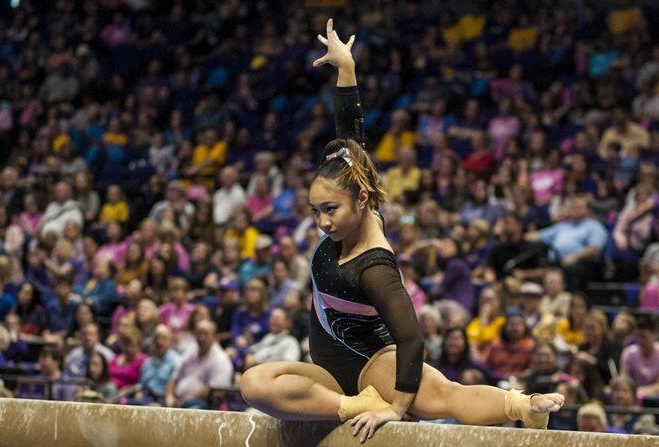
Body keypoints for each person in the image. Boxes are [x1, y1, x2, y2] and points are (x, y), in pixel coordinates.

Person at [239, 20, 563, 442]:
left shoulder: (374, 264)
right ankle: (352, 405)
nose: (322, 221)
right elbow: (350, 138)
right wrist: (347, 71)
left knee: (447, 396)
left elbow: (411, 339)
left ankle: (523, 405)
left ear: (361, 201)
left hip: (378, 366)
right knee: (253, 384)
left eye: (330, 210)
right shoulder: (351, 196)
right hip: (328, 380)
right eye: (315, 210)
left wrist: (395, 406)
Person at [165, 320, 233, 409]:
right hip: (179, 401)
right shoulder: (190, 352)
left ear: (214, 337)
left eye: (206, 334)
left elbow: (214, 391)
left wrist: (185, 398)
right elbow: (174, 378)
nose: (201, 337)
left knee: (190, 404)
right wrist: (169, 397)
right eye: (199, 333)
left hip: (203, 405)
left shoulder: (220, 359)